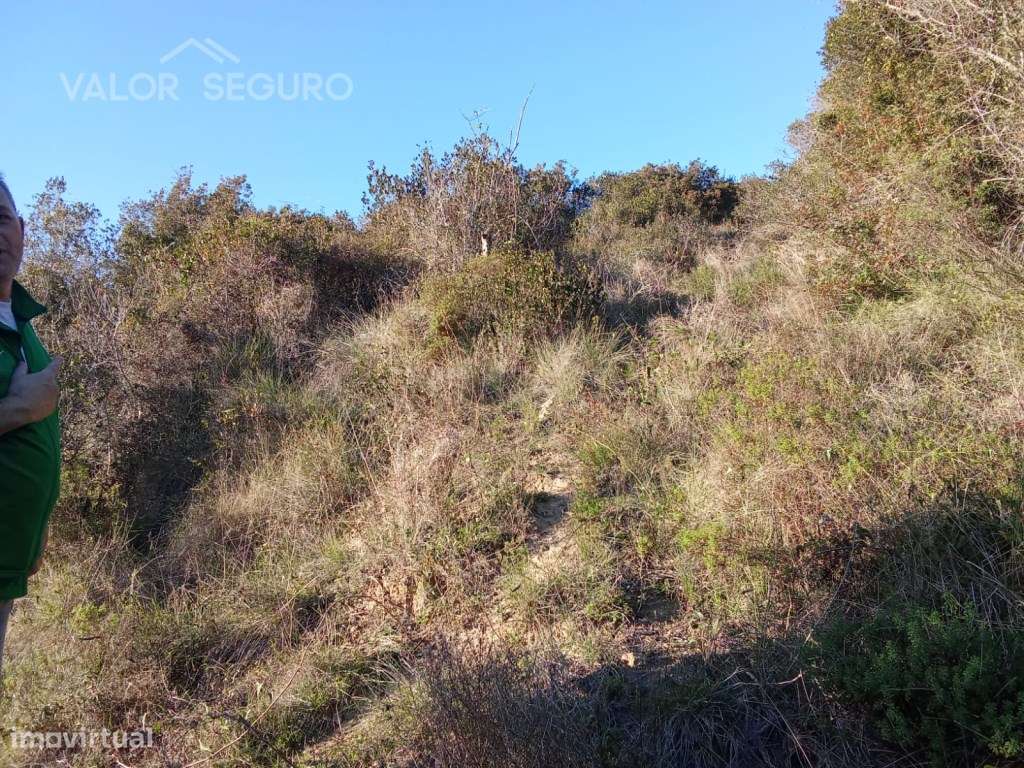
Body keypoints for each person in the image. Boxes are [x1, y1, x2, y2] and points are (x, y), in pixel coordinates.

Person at [0, 173, 62, 677]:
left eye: (1, 219)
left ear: (21, 229)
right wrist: (20, 409)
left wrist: (34, 533)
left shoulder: (21, 323)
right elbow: (27, 415)